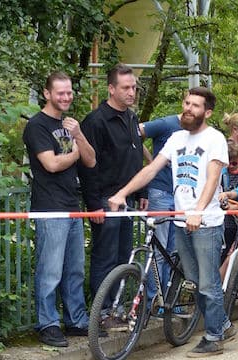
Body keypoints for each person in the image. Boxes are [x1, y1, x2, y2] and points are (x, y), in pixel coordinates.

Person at [108, 86, 235, 357]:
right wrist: (122, 193)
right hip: (181, 221)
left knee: (208, 282)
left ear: (207, 112)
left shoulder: (215, 139)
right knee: (193, 279)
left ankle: (214, 337)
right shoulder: (177, 138)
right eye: (186, 103)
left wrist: (198, 211)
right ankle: (223, 323)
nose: (188, 108)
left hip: (207, 223)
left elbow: (213, 179)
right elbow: (151, 169)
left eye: (195, 105)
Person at [22, 71, 96, 347]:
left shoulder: (70, 125)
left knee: (74, 269)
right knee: (50, 269)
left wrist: (79, 136)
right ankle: (48, 324)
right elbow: (51, 164)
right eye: (60, 93)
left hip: (72, 204)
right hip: (49, 207)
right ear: (47, 93)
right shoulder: (37, 126)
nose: (66, 97)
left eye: (69, 93)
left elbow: (90, 161)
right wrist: (76, 151)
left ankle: (76, 321)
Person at [79, 64, 147, 320]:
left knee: (123, 256)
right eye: (126, 88)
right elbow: (87, 165)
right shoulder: (96, 121)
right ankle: (103, 310)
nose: (132, 92)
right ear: (111, 88)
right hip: (106, 200)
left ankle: (117, 305)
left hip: (128, 199)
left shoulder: (131, 117)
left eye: (134, 88)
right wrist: (94, 203)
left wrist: (143, 190)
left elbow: (135, 156)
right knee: (104, 257)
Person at [139, 94, 190, 314]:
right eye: (188, 102)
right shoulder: (166, 123)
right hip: (160, 192)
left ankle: (169, 300)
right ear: (183, 103)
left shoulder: (199, 132)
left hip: (181, 195)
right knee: (157, 250)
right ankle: (153, 301)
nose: (192, 108)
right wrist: (153, 161)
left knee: (174, 251)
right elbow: (136, 131)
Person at [220, 139, 238, 262]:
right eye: (227, 163)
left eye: (234, 163)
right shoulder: (222, 173)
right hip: (226, 219)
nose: (230, 166)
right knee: (225, 247)